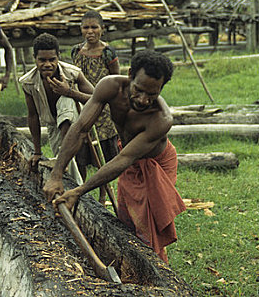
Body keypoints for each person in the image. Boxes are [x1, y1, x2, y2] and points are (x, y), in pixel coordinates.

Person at [43, 50, 186, 263]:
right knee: (128, 217)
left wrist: (79, 191)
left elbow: (124, 159)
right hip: (128, 155)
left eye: (152, 95)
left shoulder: (161, 119)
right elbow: (81, 127)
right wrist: (56, 174)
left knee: (149, 225)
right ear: (130, 75)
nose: (143, 100)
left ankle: (159, 274)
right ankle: (131, 262)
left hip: (155, 162)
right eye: (138, 90)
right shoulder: (110, 86)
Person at [19, 33, 94, 173]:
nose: (47, 64)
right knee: (67, 170)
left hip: (78, 122)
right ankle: (72, 190)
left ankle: (62, 157)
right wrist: (37, 151)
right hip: (53, 125)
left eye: (52, 60)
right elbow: (33, 116)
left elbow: (96, 99)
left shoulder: (72, 73)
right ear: (34, 58)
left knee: (65, 100)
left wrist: (69, 92)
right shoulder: (28, 82)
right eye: (42, 60)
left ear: (58, 57)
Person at [71, 10, 120, 193]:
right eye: (86, 27)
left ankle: (103, 193)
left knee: (104, 154)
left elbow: (116, 80)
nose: (90, 31)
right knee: (82, 150)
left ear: (102, 29)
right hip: (81, 105)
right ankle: (79, 189)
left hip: (104, 109)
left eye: (94, 27)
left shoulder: (107, 52)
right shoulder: (77, 50)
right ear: (81, 29)